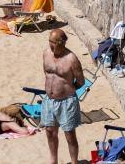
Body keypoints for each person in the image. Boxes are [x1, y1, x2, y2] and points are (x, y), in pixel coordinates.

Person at [41, 29, 85, 164]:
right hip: (49, 100)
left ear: (61, 43)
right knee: (49, 131)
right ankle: (53, 160)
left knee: (69, 135)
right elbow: (47, 74)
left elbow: (81, 81)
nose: (50, 44)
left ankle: (74, 162)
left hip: (67, 102)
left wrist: (68, 90)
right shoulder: (46, 53)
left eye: (52, 42)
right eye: (49, 41)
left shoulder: (71, 59)